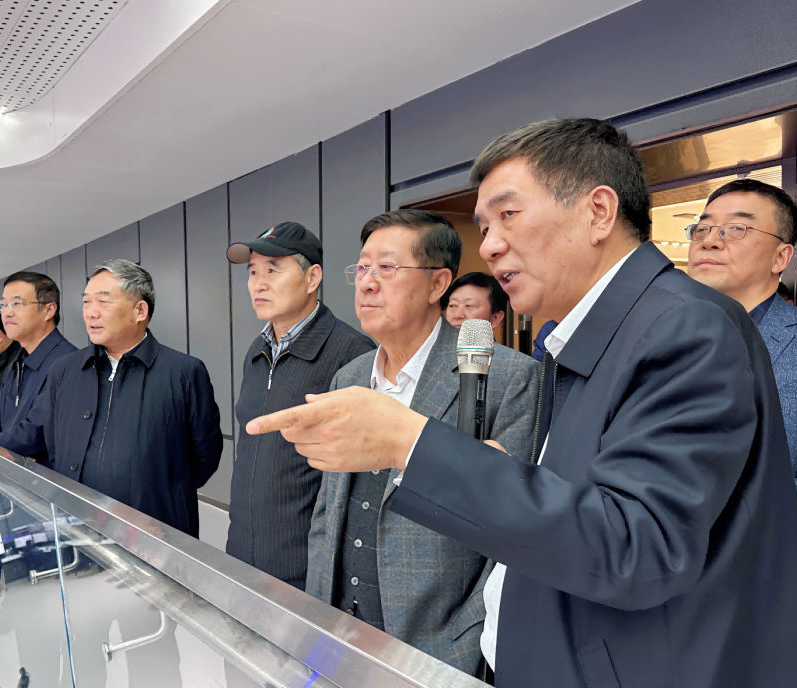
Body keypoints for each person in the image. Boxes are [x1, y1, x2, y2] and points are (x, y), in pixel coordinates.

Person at [247, 118, 797, 688]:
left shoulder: (684, 326)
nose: (489, 245)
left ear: (598, 212)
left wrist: (410, 443)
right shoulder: (579, 340)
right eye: (485, 226)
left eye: (508, 215)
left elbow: (637, 547)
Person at [306, 210, 538, 675]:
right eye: (362, 268)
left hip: (439, 646)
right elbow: (329, 509)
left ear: (438, 284)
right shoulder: (349, 377)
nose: (367, 283)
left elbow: (516, 536)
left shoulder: (506, 377)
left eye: (387, 267)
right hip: (339, 630)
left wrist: (470, 638)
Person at [225, 222, 374, 589]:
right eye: (253, 272)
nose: (258, 284)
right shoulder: (257, 351)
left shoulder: (352, 354)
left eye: (272, 270)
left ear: (312, 278)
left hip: (306, 568)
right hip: (242, 554)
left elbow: (363, 479)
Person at [38, 259, 223, 537]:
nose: (91, 313)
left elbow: (204, 456)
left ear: (140, 310)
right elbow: (55, 444)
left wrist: (160, 490)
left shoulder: (183, 371)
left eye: (103, 302)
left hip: (156, 529)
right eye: (86, 302)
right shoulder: (64, 370)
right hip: (78, 526)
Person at [687, 178, 797, 482]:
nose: (710, 241)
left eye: (737, 228)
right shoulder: (656, 338)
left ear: (780, 257)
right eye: (702, 228)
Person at [0, 271, 76, 463]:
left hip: (45, 478)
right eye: (3, 305)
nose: (7, 312)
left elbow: (33, 436)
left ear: (49, 310)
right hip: (14, 473)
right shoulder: (16, 363)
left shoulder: (68, 362)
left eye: (17, 303)